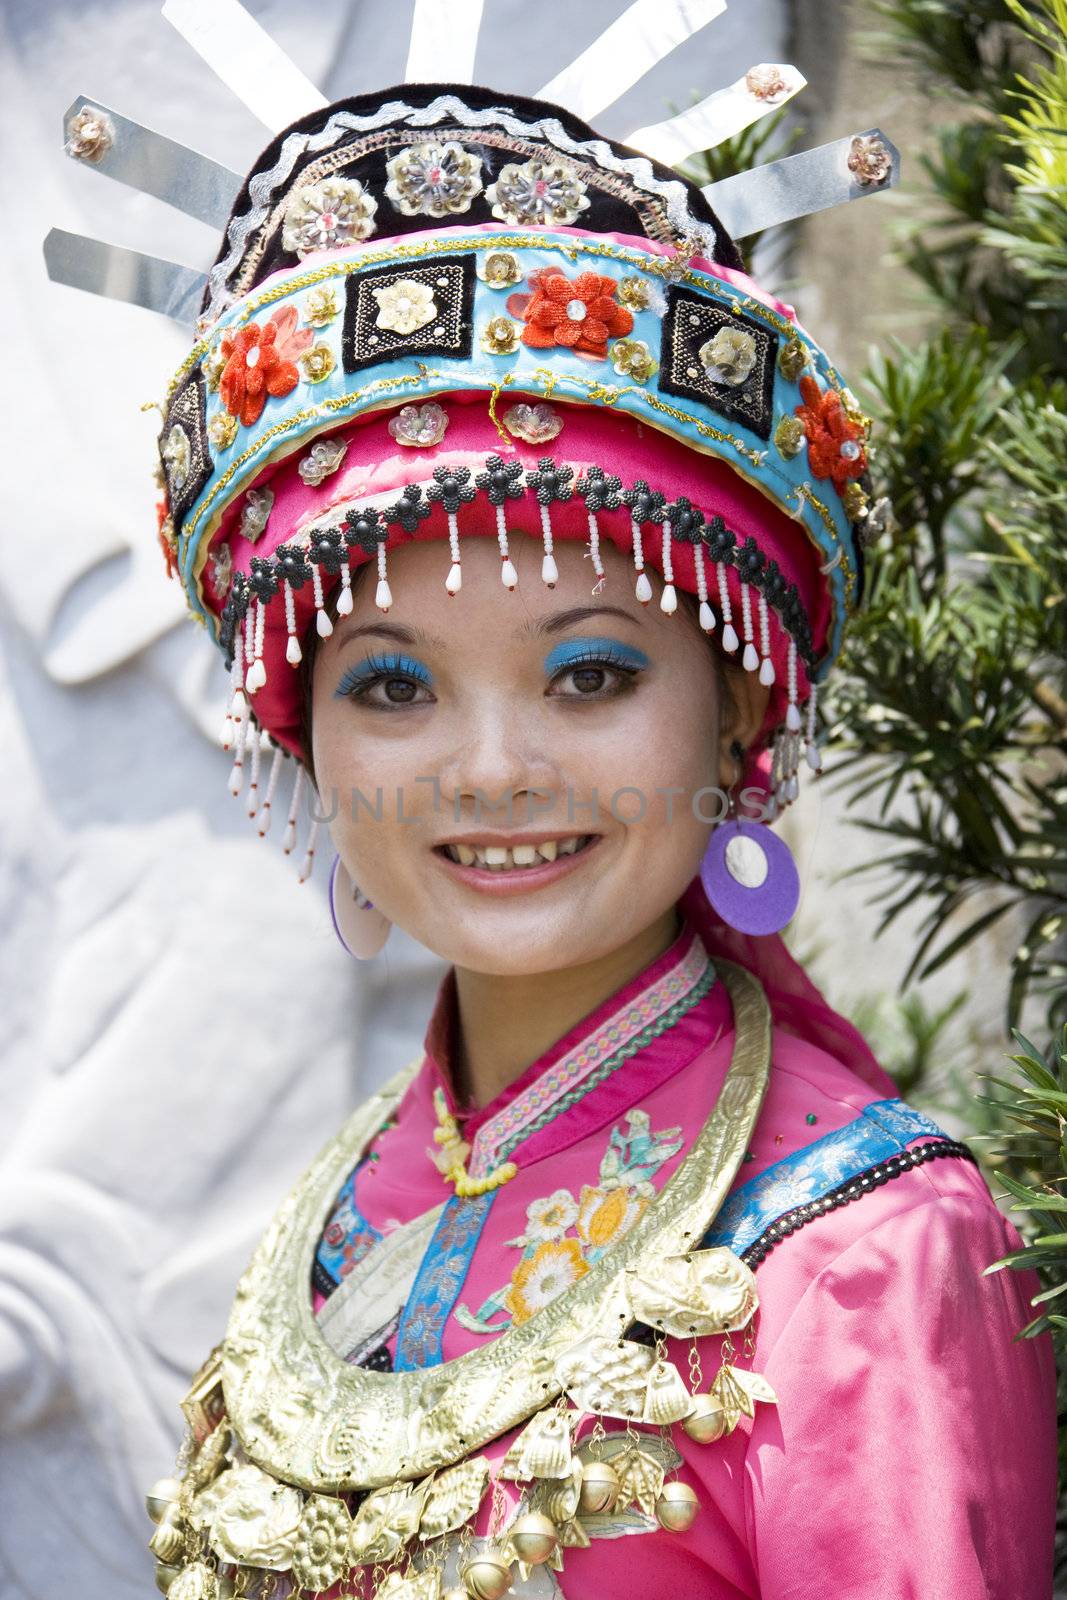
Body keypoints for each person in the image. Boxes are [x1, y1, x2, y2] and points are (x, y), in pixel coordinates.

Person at [53, 64, 1056, 1600]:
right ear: (298, 733)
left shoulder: (860, 1256)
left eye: (591, 673)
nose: (492, 769)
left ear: (736, 710)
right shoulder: (356, 1194)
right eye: (393, 685)